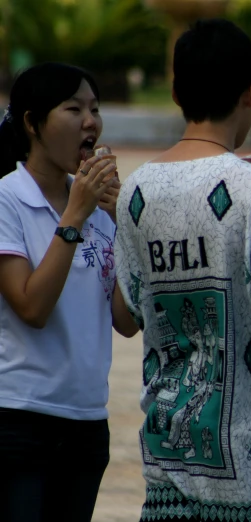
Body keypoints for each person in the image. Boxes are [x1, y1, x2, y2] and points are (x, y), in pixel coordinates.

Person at [113, 19, 251, 522]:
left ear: (174, 91)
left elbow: (126, 318)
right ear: (250, 94)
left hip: (168, 462)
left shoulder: (135, 192)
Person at [0, 63, 138, 522]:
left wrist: (127, 229)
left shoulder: (97, 208)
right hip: (19, 420)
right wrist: (74, 218)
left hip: (85, 423)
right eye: (73, 108)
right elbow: (31, 306)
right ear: (32, 123)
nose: (91, 122)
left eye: (95, 109)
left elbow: (126, 320)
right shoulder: (7, 199)